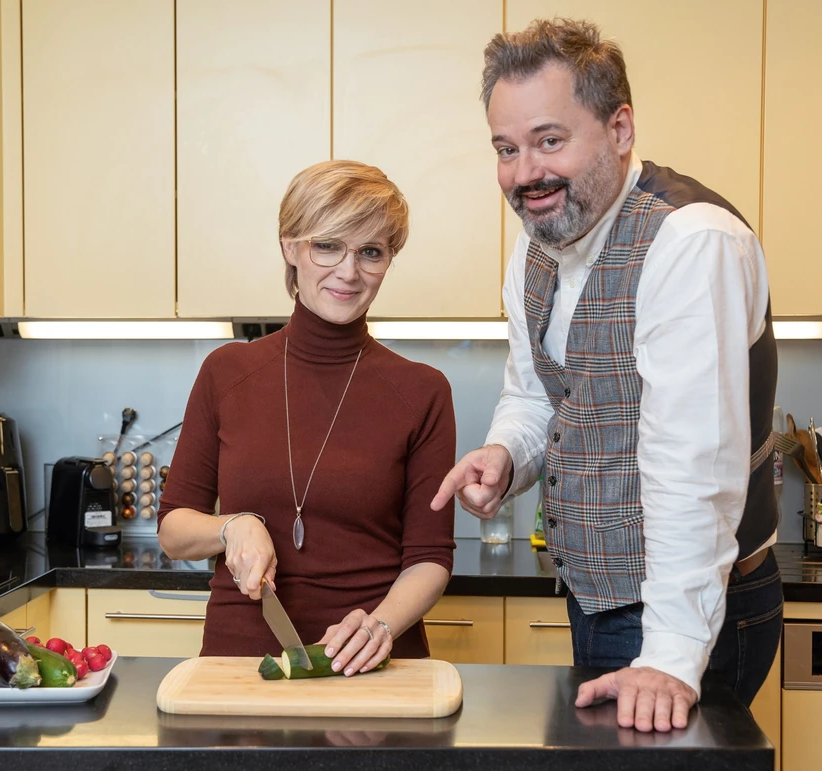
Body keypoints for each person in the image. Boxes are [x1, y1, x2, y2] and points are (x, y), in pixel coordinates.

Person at [431, 18, 783, 732]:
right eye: (507, 148)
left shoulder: (690, 242)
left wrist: (674, 653)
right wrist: (507, 454)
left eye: (549, 140)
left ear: (619, 128)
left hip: (687, 612)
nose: (524, 172)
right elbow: (536, 393)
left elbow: (696, 464)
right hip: (595, 599)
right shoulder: (540, 246)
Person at [159, 160, 457, 675]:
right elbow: (174, 529)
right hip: (240, 661)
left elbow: (430, 556)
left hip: (374, 665)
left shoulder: (422, 390)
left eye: (370, 252)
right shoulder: (227, 373)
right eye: (327, 245)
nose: (348, 271)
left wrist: (379, 627)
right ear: (289, 248)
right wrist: (233, 526)